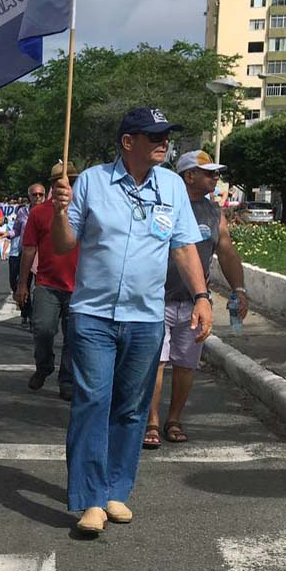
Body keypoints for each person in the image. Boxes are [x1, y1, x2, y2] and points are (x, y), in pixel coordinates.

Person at [51, 107, 213, 534]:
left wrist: (202, 297)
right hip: (93, 315)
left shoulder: (173, 187)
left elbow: (183, 248)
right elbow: (65, 244)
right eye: (153, 135)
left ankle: (114, 491)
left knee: (132, 408)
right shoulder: (91, 181)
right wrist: (59, 211)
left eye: (166, 135)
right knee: (92, 402)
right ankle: (88, 501)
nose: (164, 142)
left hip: (145, 318)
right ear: (128, 142)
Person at [143, 151, 249, 448]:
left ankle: (173, 419)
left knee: (186, 364)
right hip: (156, 299)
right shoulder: (162, 206)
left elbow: (226, 252)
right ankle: (150, 421)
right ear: (189, 175)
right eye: (209, 173)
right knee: (156, 363)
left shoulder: (215, 213)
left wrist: (239, 290)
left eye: (216, 173)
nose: (215, 178)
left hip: (194, 304)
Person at [18, 166, 79, 400]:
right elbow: (29, 249)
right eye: (64, 181)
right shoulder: (39, 213)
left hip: (79, 287)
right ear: (54, 184)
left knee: (74, 337)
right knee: (43, 329)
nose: (69, 185)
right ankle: (44, 366)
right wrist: (22, 284)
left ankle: (67, 379)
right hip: (47, 283)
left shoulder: (84, 210)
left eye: (73, 181)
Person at [10, 183, 45, 325]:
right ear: (29, 196)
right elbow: (16, 230)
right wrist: (7, 234)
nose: (37, 197)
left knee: (40, 289)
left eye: (40, 194)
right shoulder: (22, 212)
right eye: (34, 194)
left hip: (42, 256)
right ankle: (27, 311)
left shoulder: (49, 211)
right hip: (24, 253)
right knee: (17, 283)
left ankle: (35, 318)